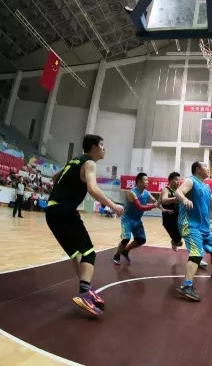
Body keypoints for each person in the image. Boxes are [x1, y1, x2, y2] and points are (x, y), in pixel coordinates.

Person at [45, 134, 124, 317]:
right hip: (65, 211)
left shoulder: (74, 160)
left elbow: (55, 177)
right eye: (102, 145)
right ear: (93, 148)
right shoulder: (89, 163)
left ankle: (86, 288)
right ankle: (84, 293)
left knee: (75, 253)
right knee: (89, 252)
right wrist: (113, 205)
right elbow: (92, 188)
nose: (104, 149)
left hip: (52, 211)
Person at [175, 161, 212, 302]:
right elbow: (178, 192)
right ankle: (186, 286)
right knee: (196, 253)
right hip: (190, 225)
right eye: (205, 166)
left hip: (204, 227)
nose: (208, 169)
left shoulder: (206, 187)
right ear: (197, 169)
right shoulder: (191, 181)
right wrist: (184, 199)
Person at [160, 171, 208, 268]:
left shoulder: (181, 190)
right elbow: (163, 200)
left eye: (179, 180)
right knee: (179, 242)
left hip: (180, 218)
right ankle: (174, 241)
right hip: (169, 220)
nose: (178, 181)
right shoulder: (166, 190)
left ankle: (197, 259)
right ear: (170, 180)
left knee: (191, 237)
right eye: (176, 179)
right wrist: (173, 201)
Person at [113, 173, 163, 265]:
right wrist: (153, 206)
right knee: (126, 238)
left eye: (147, 180)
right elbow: (140, 207)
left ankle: (126, 251)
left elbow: (156, 202)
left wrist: (164, 209)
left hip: (137, 220)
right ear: (139, 181)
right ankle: (117, 255)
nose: (147, 182)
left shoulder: (147, 193)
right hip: (127, 219)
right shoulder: (132, 193)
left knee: (141, 240)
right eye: (145, 180)